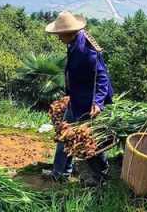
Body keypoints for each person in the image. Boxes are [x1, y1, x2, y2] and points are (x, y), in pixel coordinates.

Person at [44, 11, 113, 186]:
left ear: (69, 32)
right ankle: (60, 173)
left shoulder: (86, 50)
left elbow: (102, 77)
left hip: (88, 103)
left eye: (60, 34)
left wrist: (97, 103)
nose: (58, 37)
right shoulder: (74, 42)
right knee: (64, 135)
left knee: (89, 142)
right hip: (77, 98)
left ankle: (101, 175)